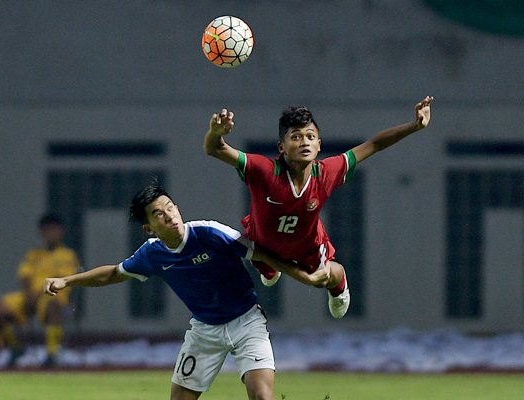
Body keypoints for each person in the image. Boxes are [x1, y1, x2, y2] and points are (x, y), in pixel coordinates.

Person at [44, 184, 329, 400]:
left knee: (262, 397)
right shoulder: (152, 254)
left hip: (247, 323)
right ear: (149, 228)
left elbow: (263, 254)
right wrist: (68, 281)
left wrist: (305, 276)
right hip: (204, 331)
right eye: (158, 214)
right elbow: (114, 273)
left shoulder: (209, 233)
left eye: (170, 207)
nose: (169, 215)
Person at [204, 96, 434, 319]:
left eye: (310, 136)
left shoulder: (326, 172)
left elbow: (374, 144)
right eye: (296, 137)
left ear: (319, 144)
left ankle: (339, 285)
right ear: (281, 146)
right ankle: (268, 268)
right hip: (264, 242)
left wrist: (414, 126)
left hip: (307, 246)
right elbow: (215, 149)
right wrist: (216, 133)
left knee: (325, 277)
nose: (304, 142)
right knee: (260, 262)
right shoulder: (263, 170)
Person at [2, 213, 80, 366]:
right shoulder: (33, 255)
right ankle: (15, 347)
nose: (50, 234)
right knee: (0, 308)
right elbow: (24, 276)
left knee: (53, 306)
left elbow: (63, 281)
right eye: (46, 230)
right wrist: (28, 294)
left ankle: (52, 354)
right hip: (30, 296)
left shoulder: (67, 255)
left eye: (54, 230)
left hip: (54, 297)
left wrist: (37, 295)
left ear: (61, 231)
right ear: (41, 232)